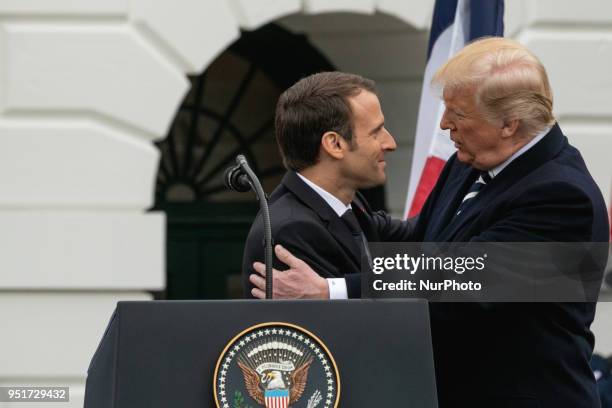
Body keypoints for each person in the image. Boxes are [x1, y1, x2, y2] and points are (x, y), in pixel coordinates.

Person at [249, 38, 610, 407]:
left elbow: (462, 280)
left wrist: (331, 291)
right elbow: (422, 237)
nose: (444, 123)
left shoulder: (562, 195)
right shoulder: (472, 161)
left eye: (459, 113)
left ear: (508, 124)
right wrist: (325, 204)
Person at [242, 71, 415, 299]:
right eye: (376, 132)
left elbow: (420, 231)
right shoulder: (292, 231)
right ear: (334, 144)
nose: (390, 143)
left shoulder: (344, 201)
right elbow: (355, 325)